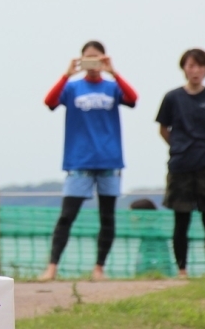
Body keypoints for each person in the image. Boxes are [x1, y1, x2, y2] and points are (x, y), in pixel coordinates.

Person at [38, 41, 138, 281]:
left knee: (107, 217)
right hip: (78, 161)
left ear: (104, 59)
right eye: (88, 59)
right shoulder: (72, 88)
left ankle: (99, 268)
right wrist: (66, 74)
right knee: (67, 216)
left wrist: (113, 72)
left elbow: (133, 99)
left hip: (109, 161)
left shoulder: (112, 88)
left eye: (97, 58)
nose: (93, 64)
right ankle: (52, 268)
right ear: (81, 61)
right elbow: (49, 102)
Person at [156, 48, 205, 278]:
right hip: (180, 166)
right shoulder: (172, 97)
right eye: (190, 65)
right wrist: (179, 147)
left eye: (200, 66)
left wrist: (204, 148)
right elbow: (163, 129)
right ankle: (182, 270)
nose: (195, 70)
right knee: (181, 220)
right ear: (184, 68)